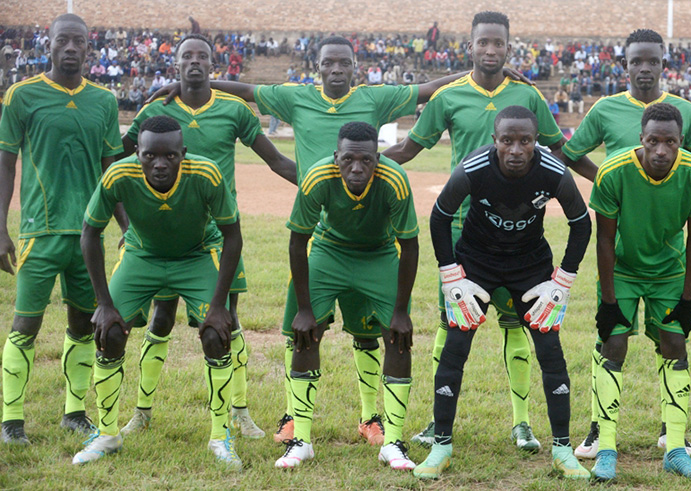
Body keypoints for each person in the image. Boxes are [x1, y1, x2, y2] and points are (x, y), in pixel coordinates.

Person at [149, 34, 530, 447]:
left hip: (371, 231)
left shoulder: (376, 98)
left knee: (368, 332)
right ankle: (294, 417)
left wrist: (480, 70)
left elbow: (426, 90)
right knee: (303, 327)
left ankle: (371, 418)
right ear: (317, 67)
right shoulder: (296, 98)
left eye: (343, 64)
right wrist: (197, 86)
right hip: (321, 234)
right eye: (328, 63)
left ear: (354, 68)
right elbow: (248, 91)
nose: (335, 70)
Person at [383, 11, 566, 452]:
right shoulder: (449, 96)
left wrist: (607, 179)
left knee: (518, 325)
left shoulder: (527, 96)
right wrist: (368, 164)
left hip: (519, 232)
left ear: (508, 46)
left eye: (497, 43)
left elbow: (559, 152)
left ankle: (523, 424)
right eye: (482, 42)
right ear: (470, 46)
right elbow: (409, 148)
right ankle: (436, 421)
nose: (490, 50)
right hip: (462, 230)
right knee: (452, 324)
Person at [560, 28, 691, 460]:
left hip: (665, 257)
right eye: (636, 61)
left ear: (664, 64)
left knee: (671, 341)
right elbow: (570, 155)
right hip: (621, 253)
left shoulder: (685, 112)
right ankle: (596, 430)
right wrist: (610, 188)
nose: (645, 68)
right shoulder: (606, 109)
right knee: (612, 340)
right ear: (624, 65)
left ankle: (670, 431)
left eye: (653, 61)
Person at [116, 34, 297, 440]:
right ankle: (141, 412)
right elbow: (117, 160)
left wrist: (318, 184)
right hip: (162, 234)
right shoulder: (156, 110)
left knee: (226, 322)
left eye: (202, 56)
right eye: (187, 56)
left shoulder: (232, 109)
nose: (194, 61)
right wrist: (128, 224)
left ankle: (240, 412)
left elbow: (276, 160)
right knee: (160, 319)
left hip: (217, 235)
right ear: (175, 64)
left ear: (213, 65)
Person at [414, 106, 591, 480]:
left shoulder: (554, 172)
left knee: (550, 350)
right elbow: (440, 216)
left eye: (524, 140)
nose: (515, 149)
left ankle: (562, 449)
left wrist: (563, 281)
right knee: (456, 346)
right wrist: (451, 275)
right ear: (494, 141)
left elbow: (581, 223)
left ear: (536, 142)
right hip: (476, 261)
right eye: (507, 140)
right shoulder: (473, 167)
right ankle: (441, 445)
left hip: (530, 264)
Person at [73, 115, 243, 466]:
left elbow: (232, 236)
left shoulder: (207, 173)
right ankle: (107, 435)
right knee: (109, 331)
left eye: (170, 156)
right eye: (150, 156)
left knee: (216, 333)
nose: (160, 164)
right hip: (143, 254)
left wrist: (218, 305)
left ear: (184, 152)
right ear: (138, 152)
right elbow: (89, 234)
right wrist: (104, 304)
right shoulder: (119, 174)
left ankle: (219, 438)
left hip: (196, 254)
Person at [0, 14, 125, 444]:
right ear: (48, 44)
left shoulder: (104, 102)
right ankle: (11, 420)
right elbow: (6, 162)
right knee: (25, 325)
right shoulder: (22, 96)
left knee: (81, 324)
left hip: (89, 236)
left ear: (89, 48)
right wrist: (1, 228)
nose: (70, 47)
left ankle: (74, 412)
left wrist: (127, 226)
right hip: (40, 232)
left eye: (79, 41)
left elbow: (113, 170)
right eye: (62, 40)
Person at [275, 121, 419, 471]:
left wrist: (400, 311)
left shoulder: (394, 180)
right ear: (336, 156)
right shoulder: (317, 177)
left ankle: (393, 442)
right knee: (305, 335)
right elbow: (298, 241)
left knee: (397, 337)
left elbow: (409, 245)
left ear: (377, 159)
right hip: (329, 251)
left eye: (366, 160)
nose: (357, 168)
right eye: (349, 160)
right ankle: (302, 441)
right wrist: (306, 309)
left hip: (379, 253)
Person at [587, 103, 691, 481]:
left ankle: (675, 449)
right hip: (623, 270)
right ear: (640, 139)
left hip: (668, 273)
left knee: (675, 345)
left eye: (670, 142)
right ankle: (606, 448)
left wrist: (687, 299)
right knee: (614, 343)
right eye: (653, 141)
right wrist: (609, 302)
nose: (661, 150)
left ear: (681, 142)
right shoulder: (612, 172)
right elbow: (605, 241)